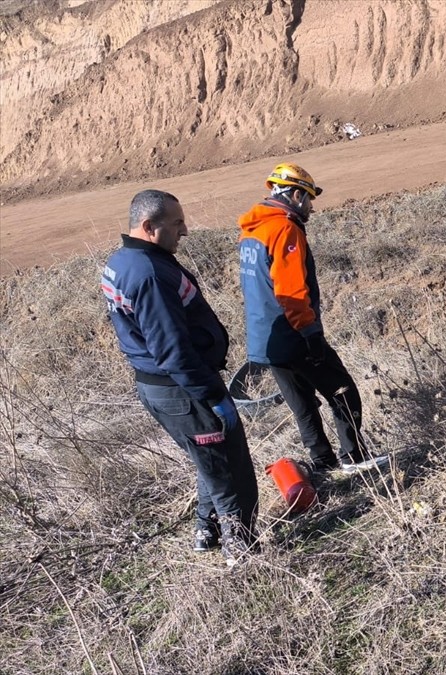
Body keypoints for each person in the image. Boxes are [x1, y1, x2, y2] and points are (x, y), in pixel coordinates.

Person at [101, 189, 258, 566]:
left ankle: (206, 530)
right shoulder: (150, 274)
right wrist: (212, 395)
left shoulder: (123, 261)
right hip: (184, 389)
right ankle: (244, 555)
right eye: (176, 223)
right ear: (148, 226)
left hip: (164, 388)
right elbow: (172, 350)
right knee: (229, 470)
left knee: (207, 456)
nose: (185, 231)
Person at [238, 163, 388, 474]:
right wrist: (310, 334)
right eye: (308, 198)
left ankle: (323, 462)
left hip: (265, 339)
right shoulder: (285, 229)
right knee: (342, 390)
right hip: (293, 333)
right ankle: (354, 458)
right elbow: (290, 290)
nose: (311, 207)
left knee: (302, 403)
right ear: (295, 195)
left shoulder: (251, 231)